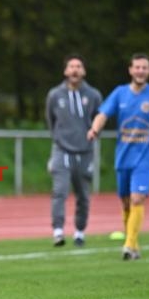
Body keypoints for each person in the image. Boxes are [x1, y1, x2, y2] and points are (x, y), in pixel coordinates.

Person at [87, 52, 149, 260]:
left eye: (144, 67)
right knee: (126, 203)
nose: (140, 71)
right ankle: (133, 246)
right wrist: (95, 129)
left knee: (137, 199)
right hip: (123, 157)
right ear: (130, 70)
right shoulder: (120, 93)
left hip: (146, 158)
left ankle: (128, 245)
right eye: (137, 67)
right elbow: (103, 114)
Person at [46, 54, 102, 247]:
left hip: (85, 152)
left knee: (83, 195)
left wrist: (93, 133)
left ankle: (79, 231)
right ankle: (58, 231)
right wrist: (58, 141)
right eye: (71, 66)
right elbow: (51, 122)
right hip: (62, 150)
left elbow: (99, 119)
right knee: (59, 191)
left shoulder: (93, 95)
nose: (75, 70)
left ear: (84, 71)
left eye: (78, 66)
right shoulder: (55, 94)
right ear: (65, 71)